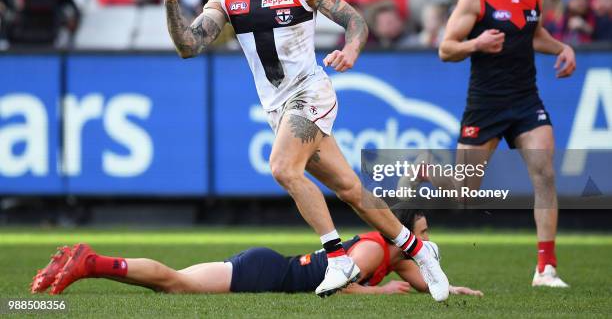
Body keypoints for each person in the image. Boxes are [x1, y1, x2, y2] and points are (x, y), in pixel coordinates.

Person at [163, 0, 449, 300]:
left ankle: (336, 257)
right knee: (350, 189)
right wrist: (170, 3)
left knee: (282, 167)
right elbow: (188, 47)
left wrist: (350, 49)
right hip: (278, 108)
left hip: (311, 93)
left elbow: (355, 21)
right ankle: (421, 252)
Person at [438, 0, 576, 288]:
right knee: (464, 194)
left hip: (525, 100)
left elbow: (536, 36)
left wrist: (562, 48)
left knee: (545, 173)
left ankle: (546, 268)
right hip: (485, 104)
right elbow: (446, 48)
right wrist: (478, 43)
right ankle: (425, 170)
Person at [31, 210, 482, 297]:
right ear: (405, 228)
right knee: (175, 282)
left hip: (273, 267)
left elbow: (426, 281)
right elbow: (335, 288)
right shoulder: (372, 247)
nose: (423, 239)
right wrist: (378, 296)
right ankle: (90, 262)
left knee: (173, 284)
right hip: (269, 273)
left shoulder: (398, 255)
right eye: (421, 231)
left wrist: (453, 288)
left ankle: (87, 264)